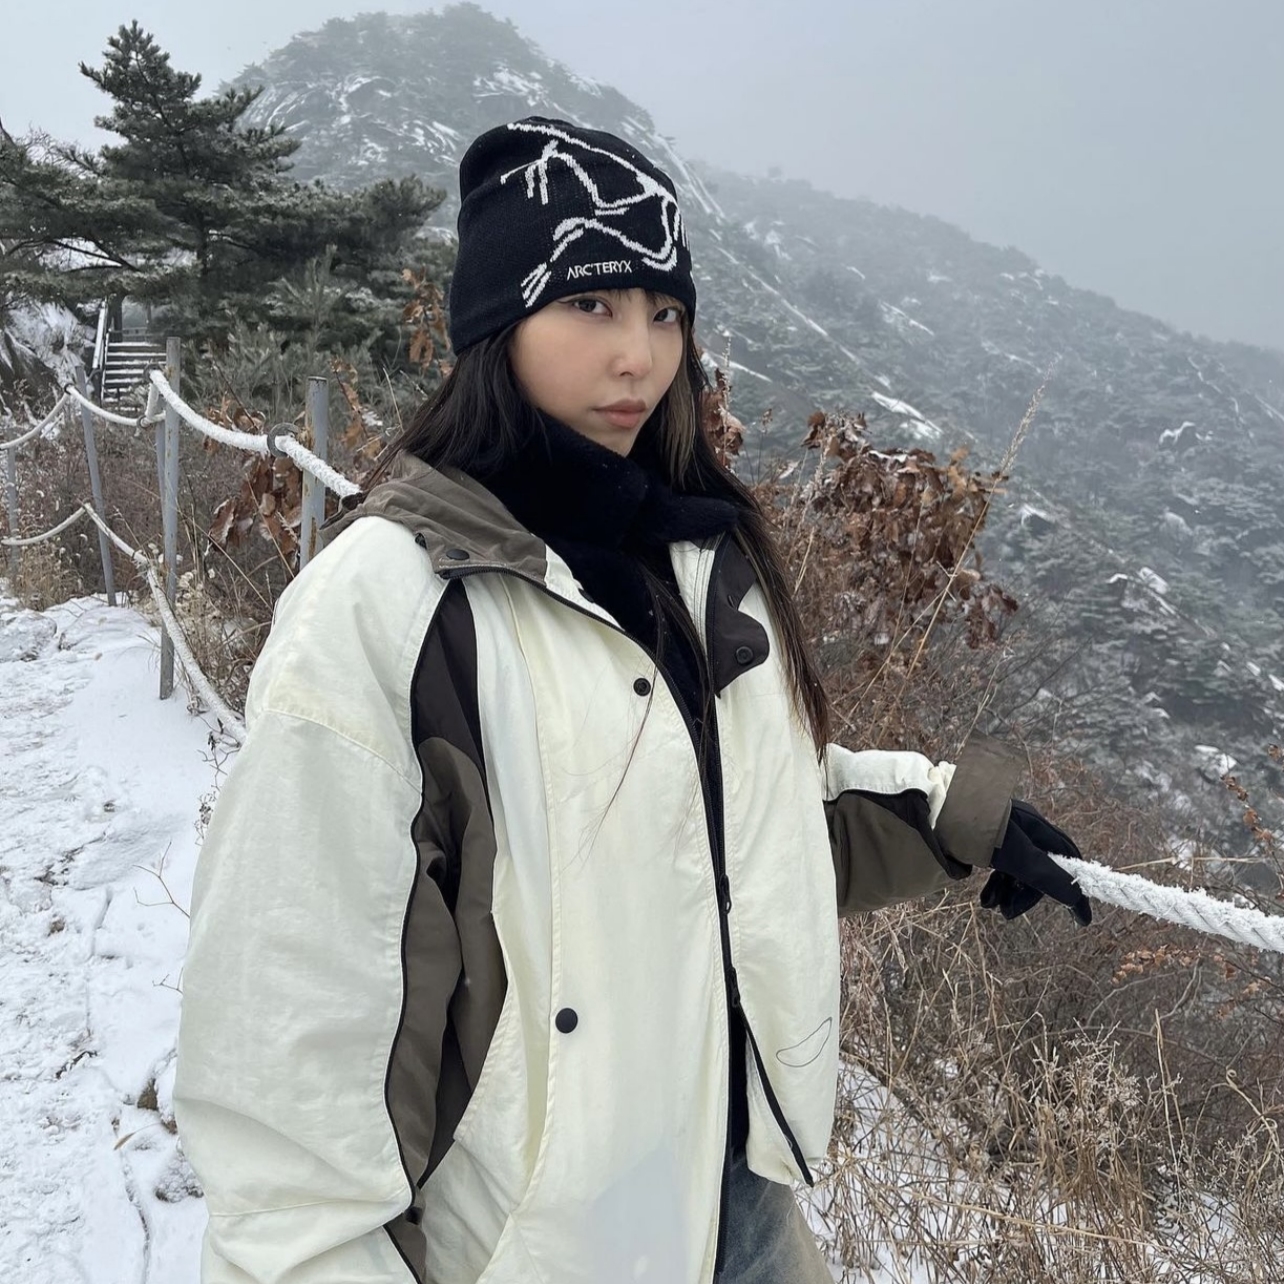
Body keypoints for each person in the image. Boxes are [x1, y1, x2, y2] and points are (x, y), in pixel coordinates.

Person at [174, 117, 1090, 1284]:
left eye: (664, 313)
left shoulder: (690, 555)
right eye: (592, 305)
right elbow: (286, 1023)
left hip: (738, 1195)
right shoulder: (389, 607)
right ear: (497, 325)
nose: (640, 358)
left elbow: (738, 823)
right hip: (532, 1242)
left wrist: (952, 816)